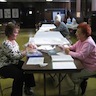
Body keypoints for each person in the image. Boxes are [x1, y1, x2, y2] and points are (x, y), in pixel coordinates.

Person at [0, 22, 36, 96]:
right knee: (19, 75)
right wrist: (26, 50)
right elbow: (15, 56)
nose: (17, 34)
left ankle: (28, 87)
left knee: (28, 66)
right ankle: (16, 94)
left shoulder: (14, 42)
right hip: (5, 66)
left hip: (13, 62)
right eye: (15, 32)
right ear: (10, 33)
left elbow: (17, 53)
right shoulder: (6, 43)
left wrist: (26, 48)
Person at [64, 22, 96, 95]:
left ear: (84, 34)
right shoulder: (81, 40)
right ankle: (81, 83)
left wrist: (68, 52)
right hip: (82, 63)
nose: (75, 33)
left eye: (78, 32)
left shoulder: (88, 43)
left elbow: (81, 56)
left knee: (73, 75)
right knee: (69, 71)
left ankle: (81, 87)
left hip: (90, 67)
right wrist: (65, 48)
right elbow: (73, 47)